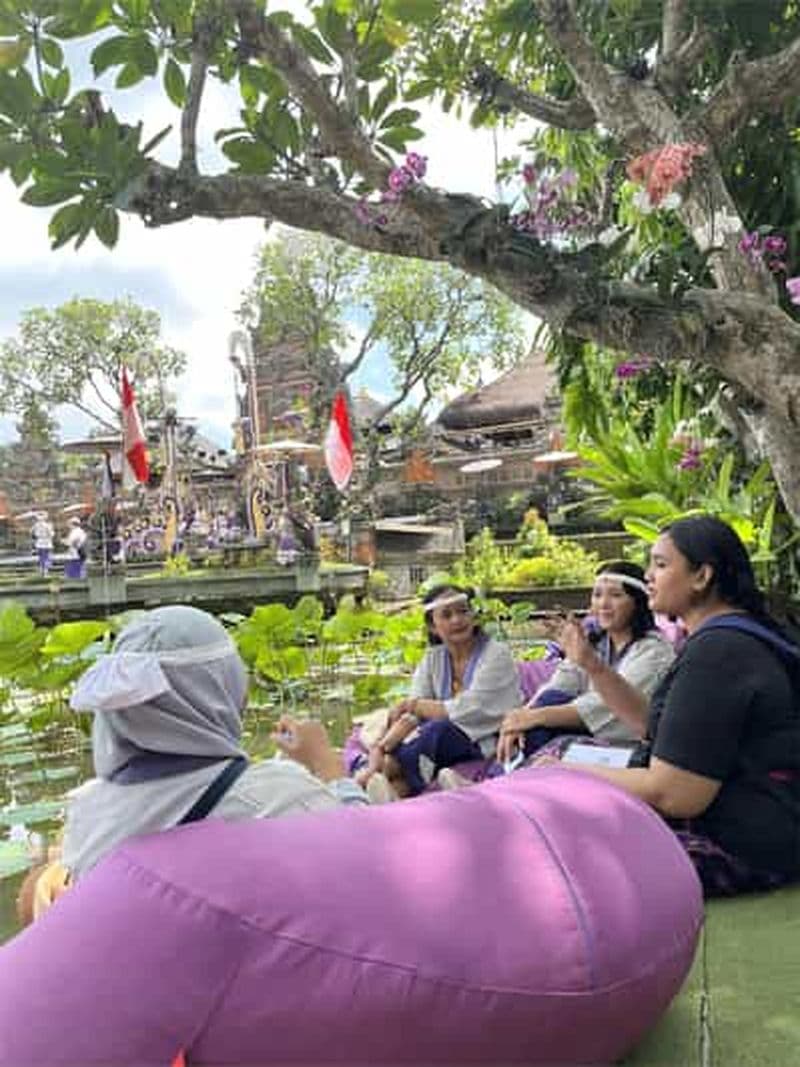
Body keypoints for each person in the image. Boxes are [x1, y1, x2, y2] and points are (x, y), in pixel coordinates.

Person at [534, 517, 800, 896]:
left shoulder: (720, 652)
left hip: (747, 841)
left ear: (701, 576)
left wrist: (566, 774)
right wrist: (591, 664)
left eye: (660, 564)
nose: (648, 576)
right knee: (557, 753)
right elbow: (658, 731)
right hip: (756, 814)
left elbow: (677, 793)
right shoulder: (723, 637)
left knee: (554, 849)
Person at [56, 605, 366, 886]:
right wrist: (326, 763)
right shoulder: (274, 798)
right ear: (222, 690)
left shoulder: (86, 816)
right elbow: (367, 857)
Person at [497, 562, 675, 764]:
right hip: (593, 738)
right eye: (597, 595)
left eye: (615, 595)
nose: (603, 604)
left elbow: (604, 707)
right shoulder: (596, 643)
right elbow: (562, 683)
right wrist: (523, 717)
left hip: (633, 749)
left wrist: (535, 716)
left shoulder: (654, 651)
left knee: (544, 732)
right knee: (544, 711)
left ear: (638, 602)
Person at [356, 584, 521, 798]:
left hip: (483, 738)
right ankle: (392, 790)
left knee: (437, 730)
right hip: (435, 743)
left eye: (463, 611)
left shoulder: (496, 655)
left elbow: (471, 708)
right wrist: (382, 746)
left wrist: (415, 706)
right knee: (416, 733)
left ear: (473, 615)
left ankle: (379, 774)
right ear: (433, 627)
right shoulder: (433, 659)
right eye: (447, 615)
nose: (457, 620)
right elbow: (413, 713)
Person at [31, 512, 54, 576]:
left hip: (40, 543)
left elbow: (33, 534)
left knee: (42, 558)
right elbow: (51, 535)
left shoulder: (35, 526)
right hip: (46, 543)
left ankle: (42, 571)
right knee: (46, 558)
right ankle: (45, 572)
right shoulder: (47, 525)